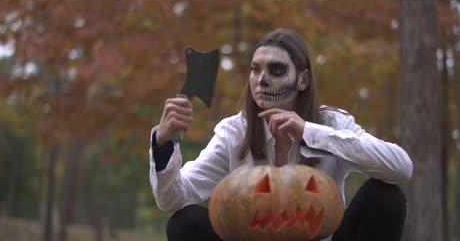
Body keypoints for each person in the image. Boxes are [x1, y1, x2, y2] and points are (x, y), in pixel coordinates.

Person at [149, 28, 413, 241]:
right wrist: (164, 143)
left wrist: (311, 132)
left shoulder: (330, 123)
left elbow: (401, 168)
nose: (261, 80)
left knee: (386, 197)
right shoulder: (235, 131)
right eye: (255, 69)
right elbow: (174, 199)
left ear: (303, 80)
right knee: (185, 222)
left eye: (276, 70)